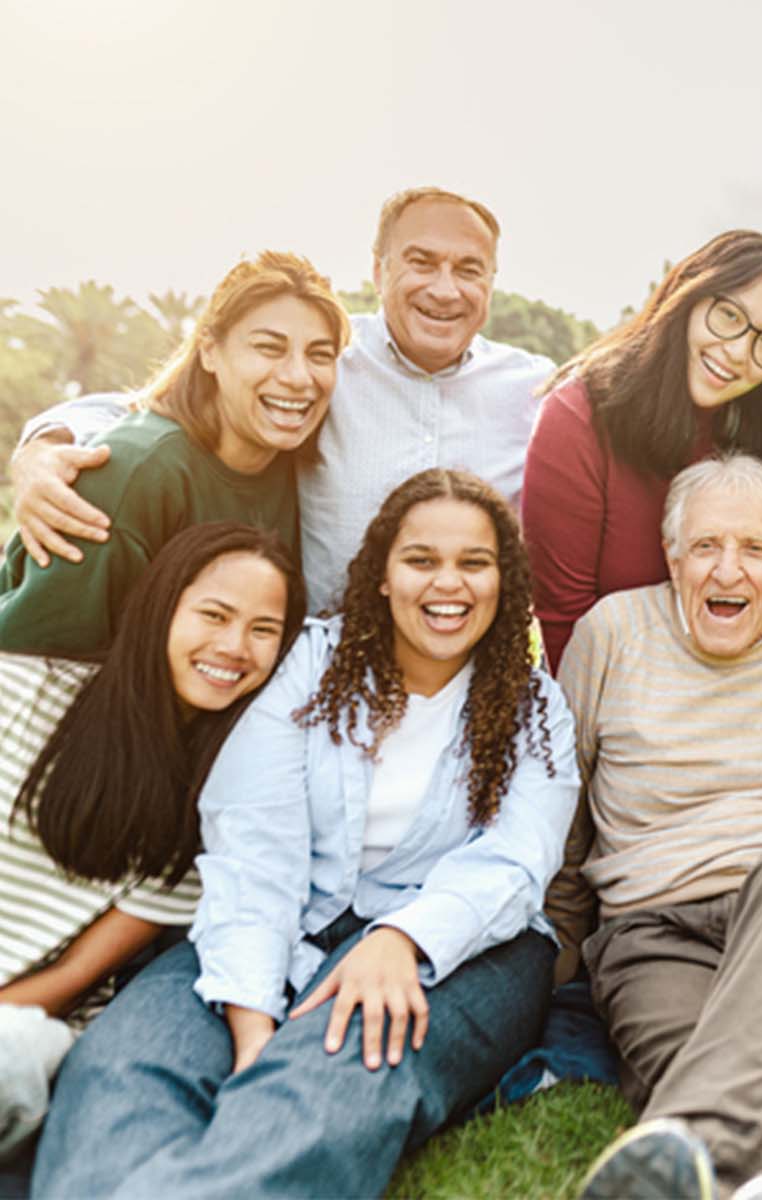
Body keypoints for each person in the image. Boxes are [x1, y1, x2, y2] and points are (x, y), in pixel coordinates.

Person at [32, 469, 577, 1198]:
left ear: (503, 581)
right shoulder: (312, 666)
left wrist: (401, 939)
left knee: (332, 1071)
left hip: (467, 948)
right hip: (283, 918)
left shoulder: (533, 706)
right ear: (382, 574)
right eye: (421, 560)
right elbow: (255, 843)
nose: (448, 583)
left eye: (473, 563)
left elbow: (517, 862)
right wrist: (252, 1021)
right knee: (125, 1066)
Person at [548, 453, 762, 1197]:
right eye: (705, 546)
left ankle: (695, 1153)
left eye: (755, 549)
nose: (728, 571)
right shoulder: (611, 634)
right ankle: (744, 1175)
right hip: (655, 933)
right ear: (673, 557)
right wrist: (561, 948)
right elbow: (562, 809)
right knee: (704, 1065)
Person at [11, 186, 553, 612]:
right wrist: (41, 448)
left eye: (468, 269)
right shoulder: (323, 360)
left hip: (462, 680)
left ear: (491, 281)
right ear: (379, 270)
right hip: (311, 676)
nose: (444, 289)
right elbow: (161, 406)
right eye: (421, 262)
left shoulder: (535, 392)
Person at [0, 523, 303, 1166]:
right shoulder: (24, 690)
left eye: (263, 629)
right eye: (214, 615)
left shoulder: (215, 807)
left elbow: (73, 977)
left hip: (22, 1031)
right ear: (163, 606)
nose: (233, 646)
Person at [0, 252, 346, 655]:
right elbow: (34, 665)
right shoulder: (134, 474)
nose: (298, 377)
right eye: (269, 348)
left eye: (320, 355)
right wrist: (39, 446)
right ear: (210, 351)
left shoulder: (306, 460)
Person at [522, 230, 762, 670]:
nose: (739, 352)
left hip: (757, 692)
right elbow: (565, 627)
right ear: (687, 297)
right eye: (728, 316)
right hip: (624, 702)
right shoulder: (579, 419)